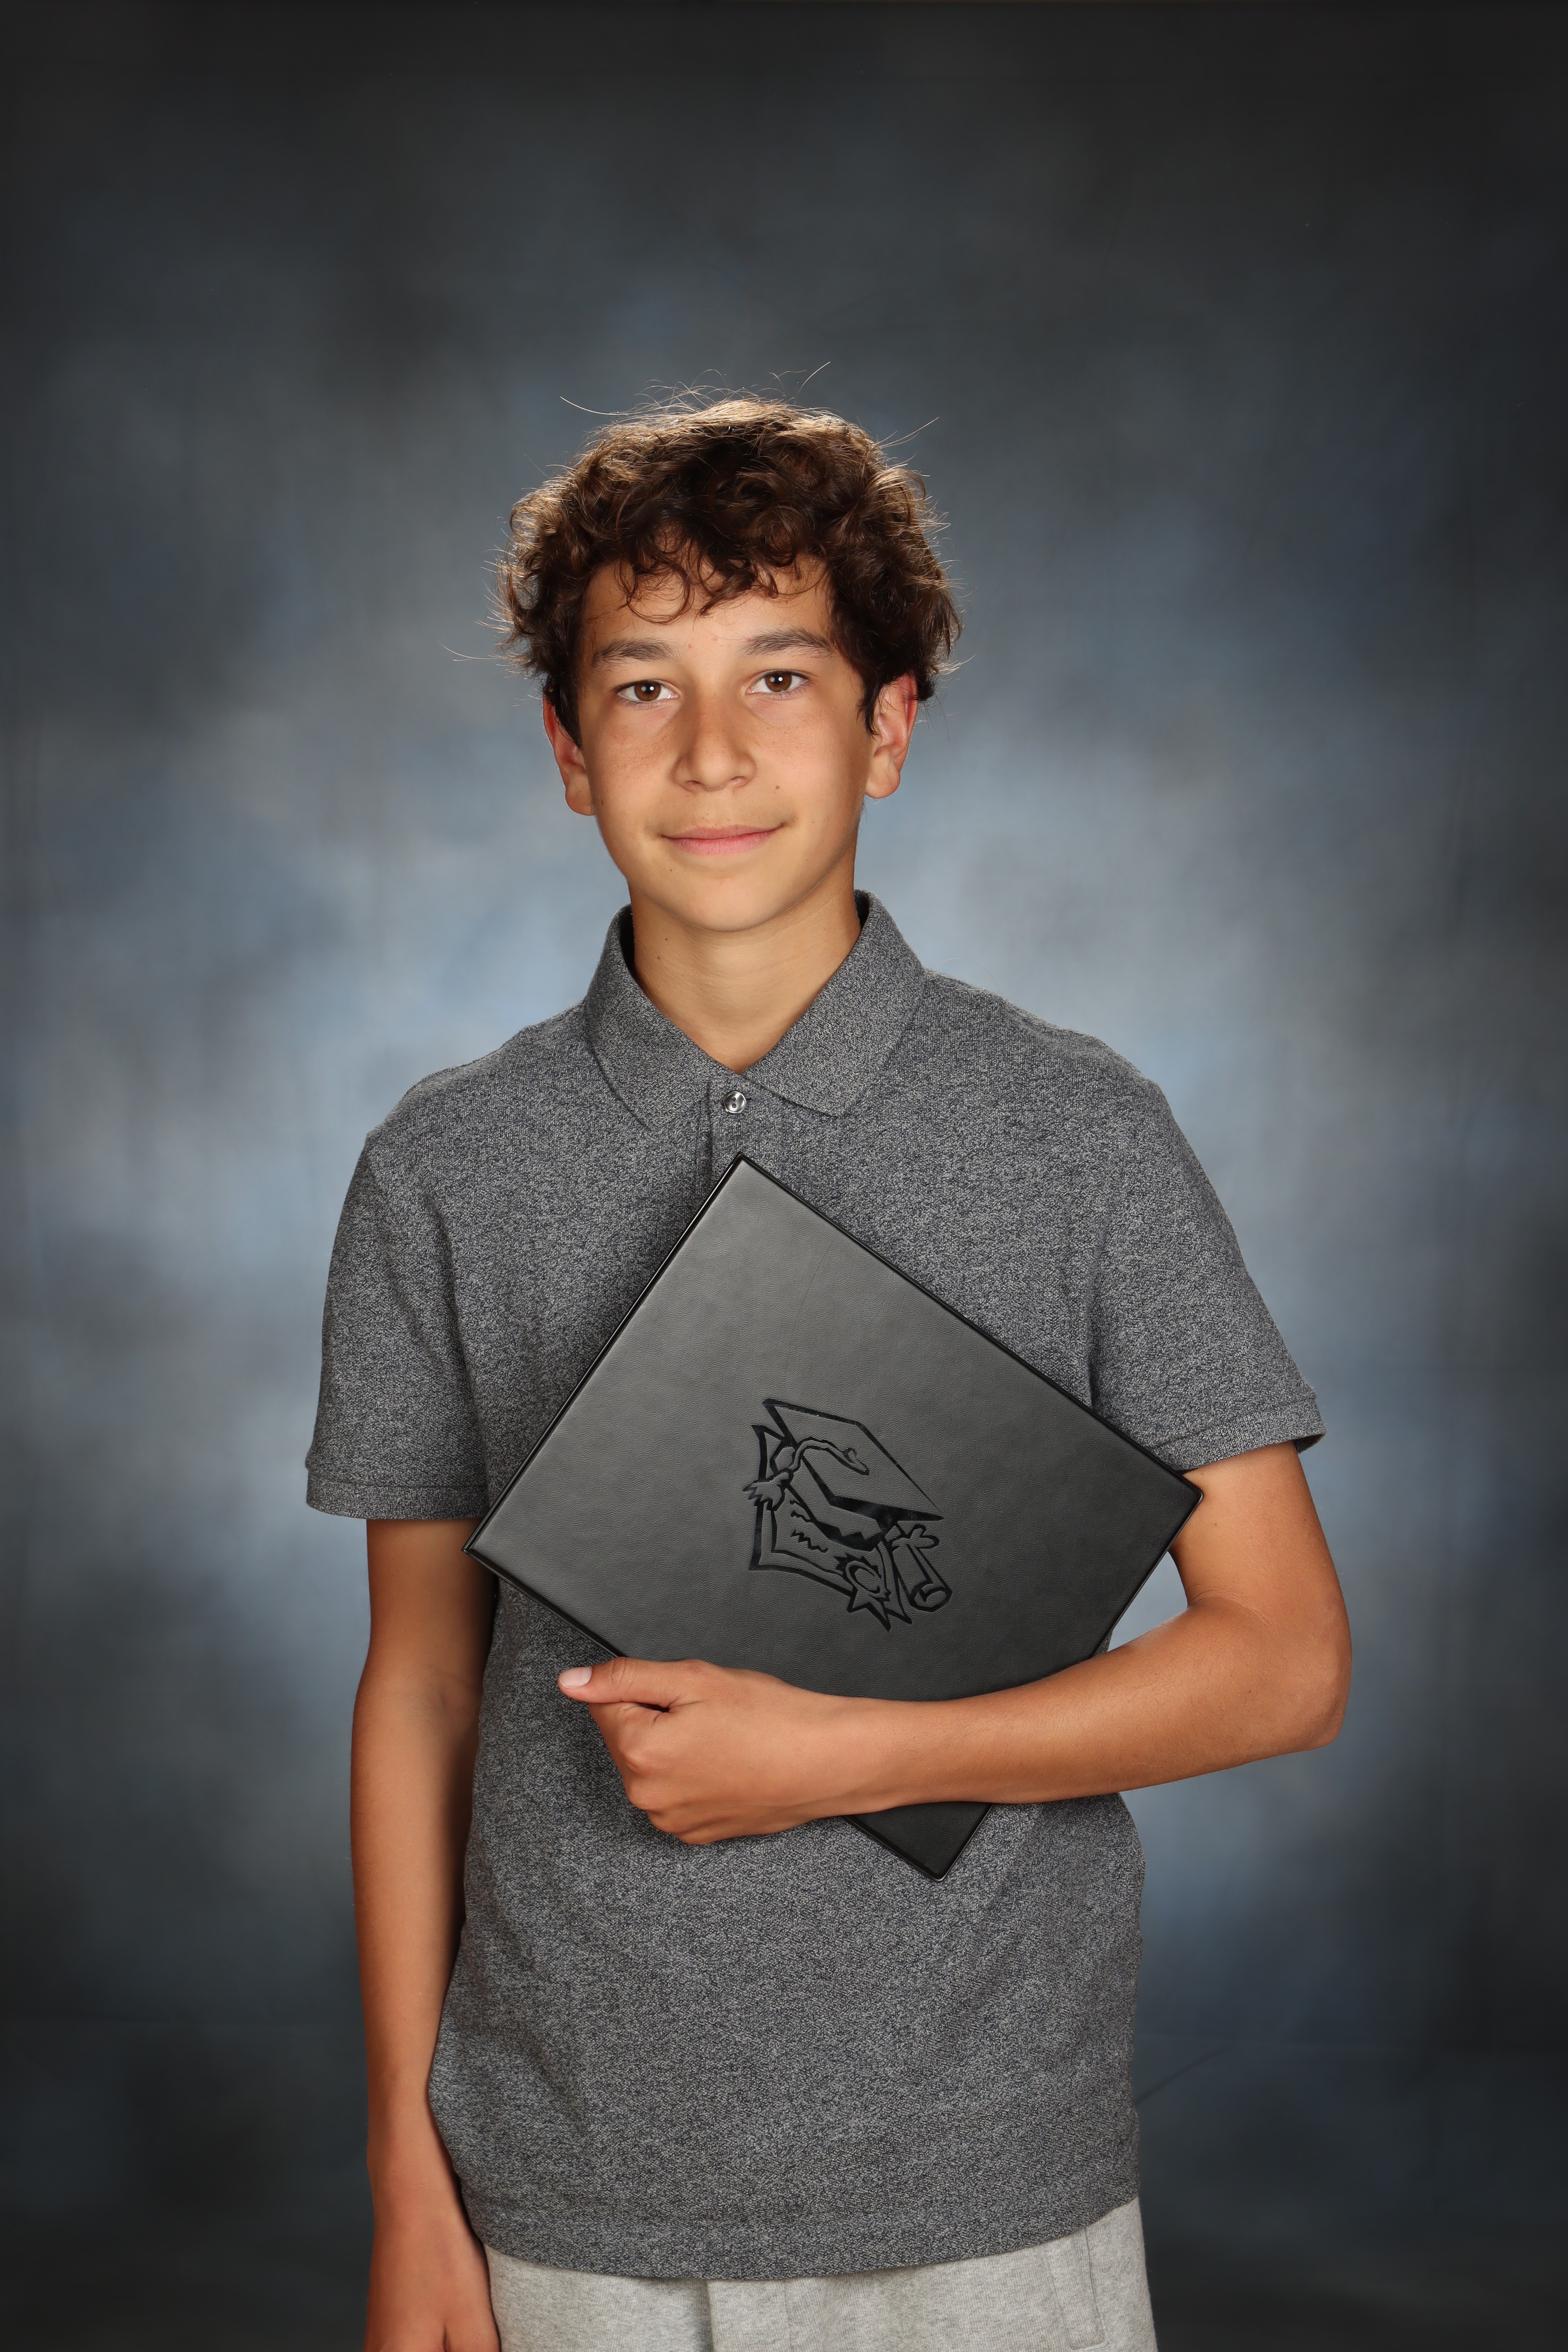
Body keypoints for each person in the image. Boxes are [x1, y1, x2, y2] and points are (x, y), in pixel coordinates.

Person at [307, 397, 1350, 2352]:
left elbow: (1285, 1660)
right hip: (559, 2194)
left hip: (983, 2183)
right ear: (566, 756)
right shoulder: (447, 1169)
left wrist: (854, 1755)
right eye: (642, 687)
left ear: (888, 730)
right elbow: (422, 1687)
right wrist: (406, 2180)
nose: (710, 751)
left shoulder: (1078, 1137)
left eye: (779, 677)